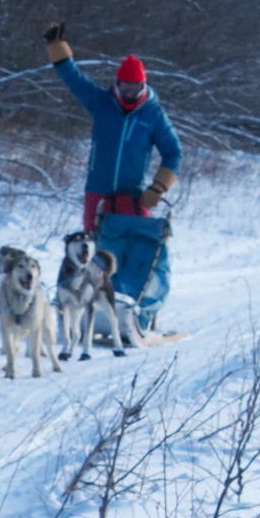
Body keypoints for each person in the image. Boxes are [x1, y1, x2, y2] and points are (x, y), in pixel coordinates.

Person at [44, 21, 182, 332]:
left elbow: (174, 152)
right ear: (117, 84)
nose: (129, 93)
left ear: (143, 86)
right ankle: (90, 309)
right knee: (93, 252)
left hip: (134, 196)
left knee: (137, 254)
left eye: (135, 88)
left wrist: (158, 188)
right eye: (124, 87)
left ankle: (138, 310)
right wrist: (58, 49)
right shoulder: (102, 103)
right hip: (98, 193)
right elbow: (75, 80)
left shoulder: (153, 114)